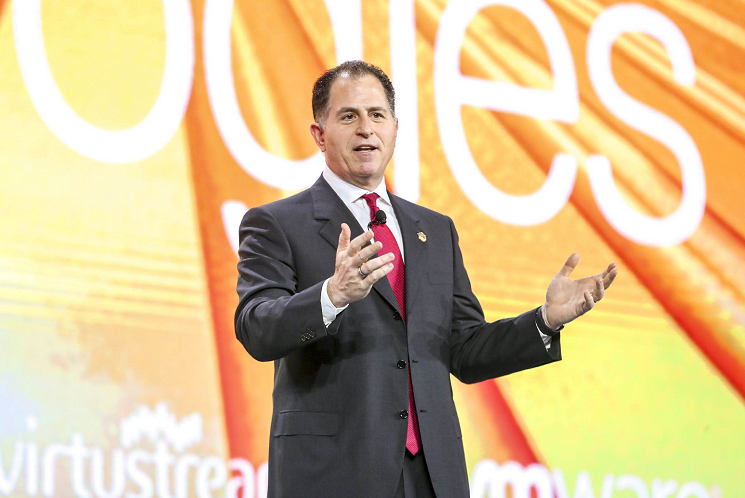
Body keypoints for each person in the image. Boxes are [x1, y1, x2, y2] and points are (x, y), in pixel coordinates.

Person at [235, 60, 618, 498]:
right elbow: (256, 328)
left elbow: (464, 349)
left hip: (433, 476)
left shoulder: (435, 230)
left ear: (395, 129)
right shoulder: (277, 224)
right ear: (319, 135)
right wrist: (331, 296)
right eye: (348, 116)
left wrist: (544, 321)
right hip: (334, 473)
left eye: (377, 115)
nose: (366, 129)